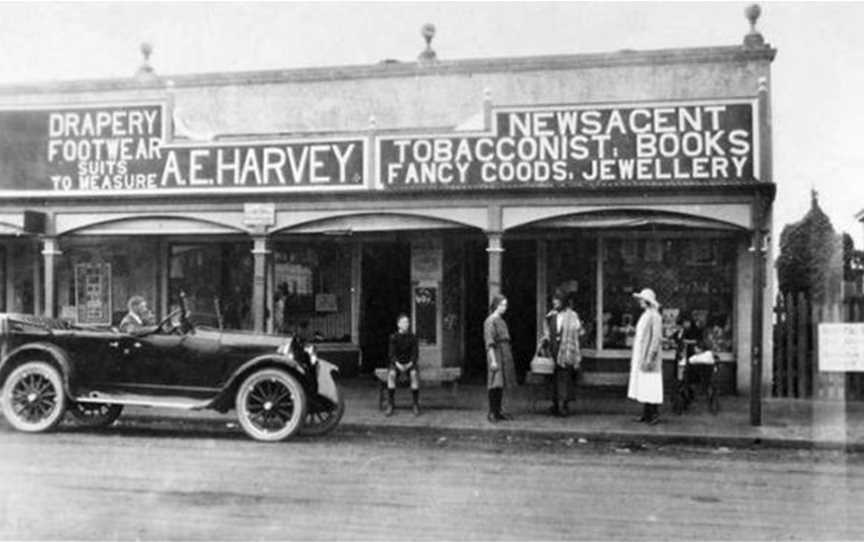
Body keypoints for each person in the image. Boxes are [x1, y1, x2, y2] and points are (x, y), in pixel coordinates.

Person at [541, 292, 583, 417]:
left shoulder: (572, 316)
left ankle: (564, 405)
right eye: (554, 300)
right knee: (553, 377)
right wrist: (545, 340)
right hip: (553, 348)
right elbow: (547, 331)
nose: (554, 303)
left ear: (563, 302)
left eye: (557, 301)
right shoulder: (551, 315)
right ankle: (555, 403)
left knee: (564, 377)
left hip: (566, 349)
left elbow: (579, 331)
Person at [627, 288, 664, 425]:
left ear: (648, 301)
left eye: (642, 299)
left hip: (649, 357)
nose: (640, 302)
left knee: (651, 385)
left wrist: (650, 357)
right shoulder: (646, 315)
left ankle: (654, 414)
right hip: (641, 354)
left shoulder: (655, 316)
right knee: (644, 385)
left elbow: (655, 338)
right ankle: (646, 413)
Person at [484, 294, 517, 423]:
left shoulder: (501, 320)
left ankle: (498, 411)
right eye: (502, 304)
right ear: (496, 305)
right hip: (496, 353)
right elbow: (489, 342)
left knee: (501, 384)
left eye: (505, 305)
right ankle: (492, 412)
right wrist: (493, 360)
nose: (505, 307)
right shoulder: (490, 321)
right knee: (494, 382)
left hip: (504, 352)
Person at [385, 314, 420, 417]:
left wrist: (410, 364)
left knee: (414, 374)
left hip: (410, 363)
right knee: (391, 374)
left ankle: (415, 404)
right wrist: (397, 364)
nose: (407, 324)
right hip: (397, 363)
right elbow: (391, 354)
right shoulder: (393, 337)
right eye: (404, 322)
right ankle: (390, 404)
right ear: (398, 324)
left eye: (408, 322)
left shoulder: (413, 337)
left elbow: (415, 354)